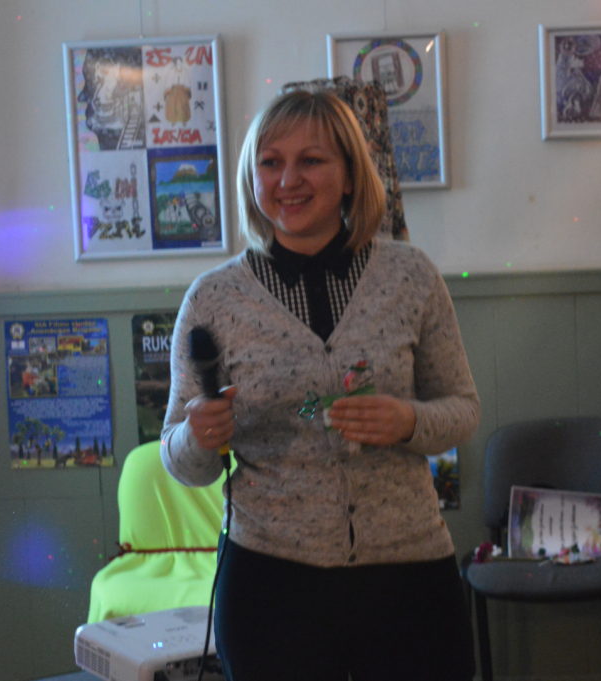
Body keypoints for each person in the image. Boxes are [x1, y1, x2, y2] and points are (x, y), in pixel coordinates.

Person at [159, 89, 479, 681]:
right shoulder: (213, 299)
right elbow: (182, 462)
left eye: (311, 160)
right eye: (270, 162)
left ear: (351, 175)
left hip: (408, 571)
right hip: (270, 581)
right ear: (252, 177)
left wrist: (408, 422)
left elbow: (462, 409)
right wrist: (197, 436)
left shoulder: (412, 277)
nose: (288, 180)